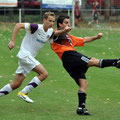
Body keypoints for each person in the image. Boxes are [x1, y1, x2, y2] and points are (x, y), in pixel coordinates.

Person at [51, 15, 120, 115]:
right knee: (93, 61)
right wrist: (64, 30)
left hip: (68, 62)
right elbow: (54, 34)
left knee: (83, 83)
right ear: (60, 24)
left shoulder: (68, 37)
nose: (68, 24)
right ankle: (116, 62)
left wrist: (96, 37)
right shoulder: (56, 33)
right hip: (69, 55)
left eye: (69, 22)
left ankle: (81, 108)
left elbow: (83, 40)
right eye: (66, 22)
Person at [0, 11, 56, 103]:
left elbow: (52, 44)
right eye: (49, 21)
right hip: (25, 55)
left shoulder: (50, 32)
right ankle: (24, 93)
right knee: (44, 74)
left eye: (53, 21)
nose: (51, 23)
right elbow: (18, 25)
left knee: (16, 84)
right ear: (44, 20)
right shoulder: (36, 27)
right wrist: (12, 41)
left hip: (27, 58)